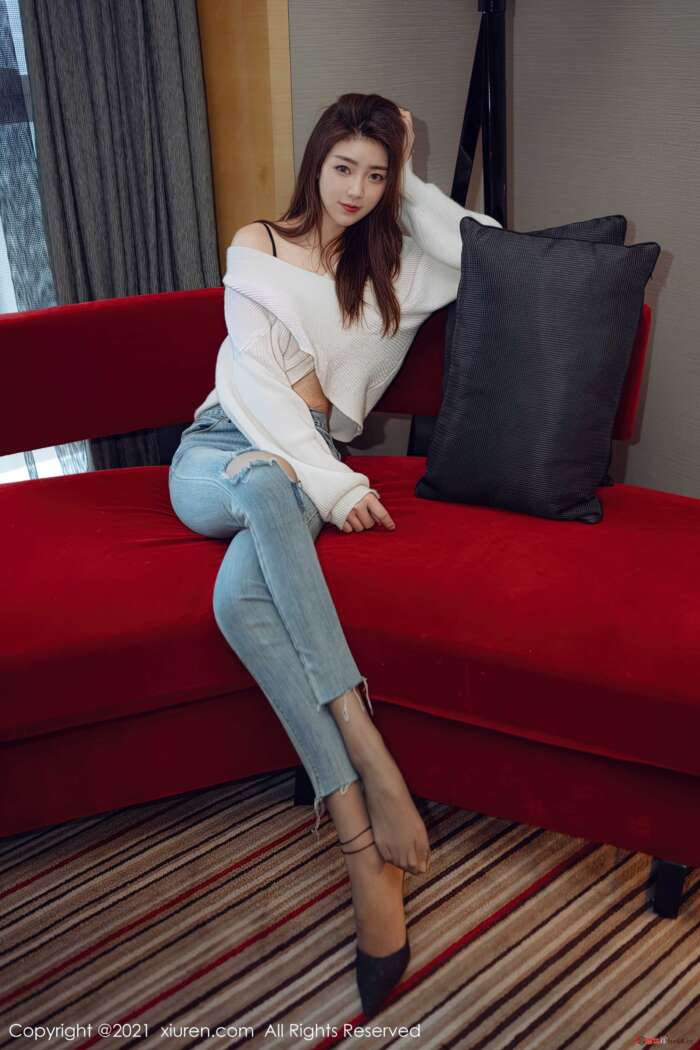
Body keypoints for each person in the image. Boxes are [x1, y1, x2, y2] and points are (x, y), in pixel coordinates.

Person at [168, 92, 502, 1018]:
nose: (355, 189)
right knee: (267, 479)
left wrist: (413, 175)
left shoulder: (395, 270)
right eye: (343, 166)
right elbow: (255, 385)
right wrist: (337, 487)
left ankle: (355, 835)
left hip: (303, 465)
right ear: (315, 163)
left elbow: (489, 250)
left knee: (237, 603)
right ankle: (369, 758)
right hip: (221, 451)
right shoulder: (259, 244)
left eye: (376, 173)